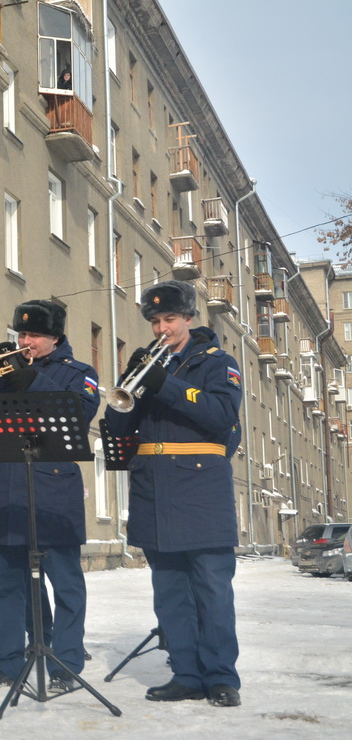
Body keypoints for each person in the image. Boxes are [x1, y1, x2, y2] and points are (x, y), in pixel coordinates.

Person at [105, 280, 243, 707]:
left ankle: (221, 677)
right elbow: (119, 429)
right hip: (154, 488)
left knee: (211, 590)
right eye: (155, 321)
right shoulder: (146, 362)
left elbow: (221, 416)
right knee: (169, 591)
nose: (162, 328)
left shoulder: (218, 363)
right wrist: (123, 397)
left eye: (170, 319)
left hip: (201, 488)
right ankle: (185, 673)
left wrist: (164, 383)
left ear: (188, 319)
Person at [0, 299, 100, 693]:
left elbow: (80, 414)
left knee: (65, 582)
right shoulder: (4, 371)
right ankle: (6, 663)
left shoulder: (79, 373)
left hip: (52, 491)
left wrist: (32, 380)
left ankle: (66, 662)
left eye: (34, 336)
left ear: (55, 337)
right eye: (21, 335)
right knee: (7, 584)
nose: (25, 341)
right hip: (5, 489)